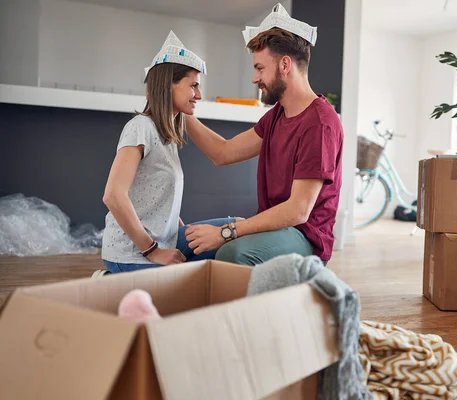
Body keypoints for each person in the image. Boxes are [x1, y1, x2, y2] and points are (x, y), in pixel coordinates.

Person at [183, 7, 344, 266]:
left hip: (305, 237)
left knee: (231, 253)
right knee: (185, 240)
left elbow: (298, 211)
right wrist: (183, 112)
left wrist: (227, 233)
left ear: (284, 64)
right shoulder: (277, 115)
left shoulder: (321, 123)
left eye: (259, 68)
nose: (254, 78)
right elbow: (223, 153)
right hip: (275, 228)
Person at [99, 31, 236, 274]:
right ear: (167, 86)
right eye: (193, 85)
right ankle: (114, 278)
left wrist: (181, 229)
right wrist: (153, 251)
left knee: (235, 231)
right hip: (134, 253)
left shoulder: (166, 134)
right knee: (232, 233)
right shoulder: (140, 128)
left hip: (164, 240)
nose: (199, 95)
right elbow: (113, 196)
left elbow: (158, 198)